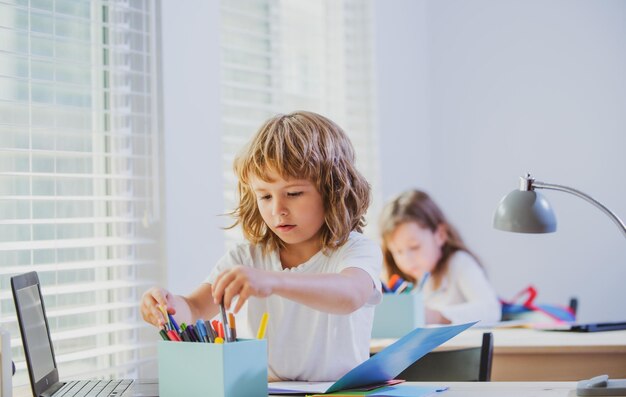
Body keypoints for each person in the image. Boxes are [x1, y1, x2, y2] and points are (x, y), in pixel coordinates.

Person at [140, 111, 382, 382]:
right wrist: (168, 306)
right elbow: (195, 309)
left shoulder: (355, 250)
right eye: (265, 196)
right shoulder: (246, 257)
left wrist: (273, 282)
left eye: (293, 194)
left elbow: (350, 295)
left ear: (334, 189)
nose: (278, 209)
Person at [379, 189, 501, 325]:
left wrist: (437, 317)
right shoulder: (402, 283)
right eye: (398, 251)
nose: (407, 259)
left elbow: (491, 310)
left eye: (414, 247)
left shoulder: (459, 263)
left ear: (440, 235)